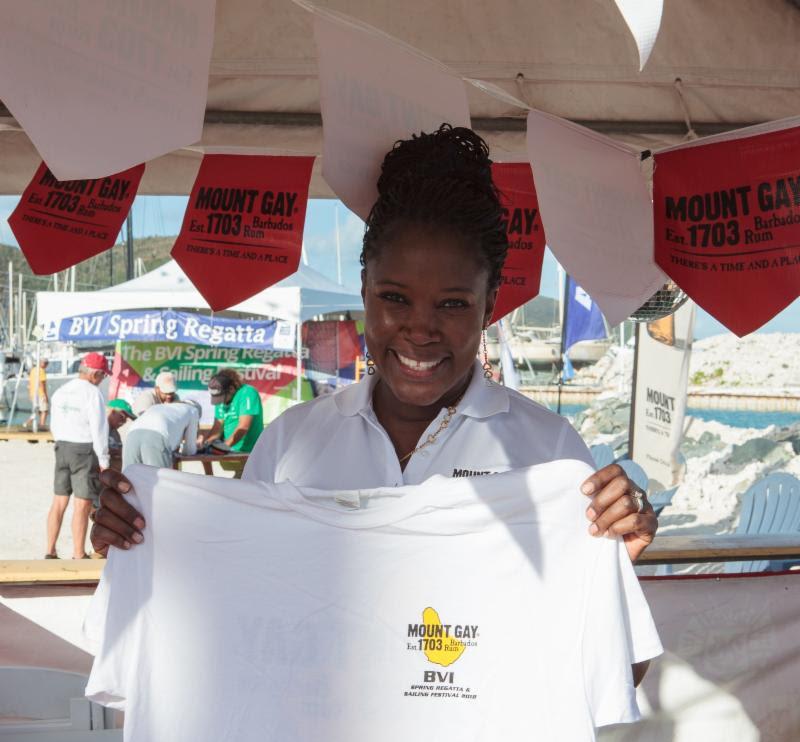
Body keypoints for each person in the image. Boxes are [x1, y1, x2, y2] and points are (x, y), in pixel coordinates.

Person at [92, 125, 658, 672]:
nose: (420, 329)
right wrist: (137, 541)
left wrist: (619, 564)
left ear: (489, 307)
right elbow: (231, 607)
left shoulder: (550, 452)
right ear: (364, 293)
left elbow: (615, 679)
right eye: (395, 298)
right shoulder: (293, 442)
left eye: (453, 304)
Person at [47, 352, 110, 559]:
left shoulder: (61, 390)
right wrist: (104, 461)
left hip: (61, 446)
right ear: (96, 374)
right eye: (102, 376)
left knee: (59, 501)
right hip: (83, 449)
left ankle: (50, 550)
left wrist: (60, 441)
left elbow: (53, 423)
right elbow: (99, 429)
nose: (102, 381)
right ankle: (78, 553)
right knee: (82, 504)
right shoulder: (92, 393)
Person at [123, 399, 200, 469]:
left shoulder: (159, 406)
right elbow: (190, 449)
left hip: (132, 433)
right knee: (161, 480)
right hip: (156, 436)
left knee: (129, 477)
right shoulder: (194, 410)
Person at [200, 370, 264, 454]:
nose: (221, 402)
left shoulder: (247, 392)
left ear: (231, 389)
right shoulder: (221, 394)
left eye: (222, 397)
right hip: (231, 451)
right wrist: (205, 445)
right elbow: (217, 428)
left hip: (251, 452)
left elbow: (243, 427)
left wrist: (224, 447)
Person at [107, 398, 137, 471]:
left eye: (126, 419)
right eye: (122, 417)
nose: (124, 421)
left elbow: (119, 456)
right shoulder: (96, 428)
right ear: (112, 411)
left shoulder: (115, 434)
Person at [25, 357, 49, 429]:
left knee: (38, 410)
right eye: (46, 364)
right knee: (45, 410)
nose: (46, 365)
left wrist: (30, 394)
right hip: (40, 393)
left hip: (33, 393)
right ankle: (41, 425)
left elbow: (30, 383)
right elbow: (42, 383)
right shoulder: (41, 371)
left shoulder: (33, 370)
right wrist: (45, 395)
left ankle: (30, 423)